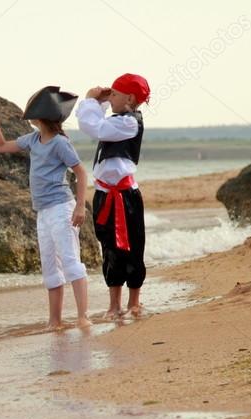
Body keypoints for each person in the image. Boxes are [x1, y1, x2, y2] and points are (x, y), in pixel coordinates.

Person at [0, 86, 90, 331]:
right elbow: (1, 146)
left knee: (70, 261)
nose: (30, 117)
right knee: (50, 265)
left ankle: (82, 317)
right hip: (44, 212)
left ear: (43, 116)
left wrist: (80, 207)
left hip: (61, 207)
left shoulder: (59, 143)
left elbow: (80, 172)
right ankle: (54, 321)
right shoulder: (33, 140)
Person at [76, 73, 150, 319]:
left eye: (116, 94)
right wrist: (104, 100)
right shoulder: (118, 119)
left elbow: (94, 126)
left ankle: (134, 302)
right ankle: (114, 304)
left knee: (133, 246)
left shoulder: (129, 123)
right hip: (105, 194)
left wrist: (89, 100)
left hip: (126, 196)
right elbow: (100, 122)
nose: (111, 97)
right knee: (109, 248)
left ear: (130, 98)